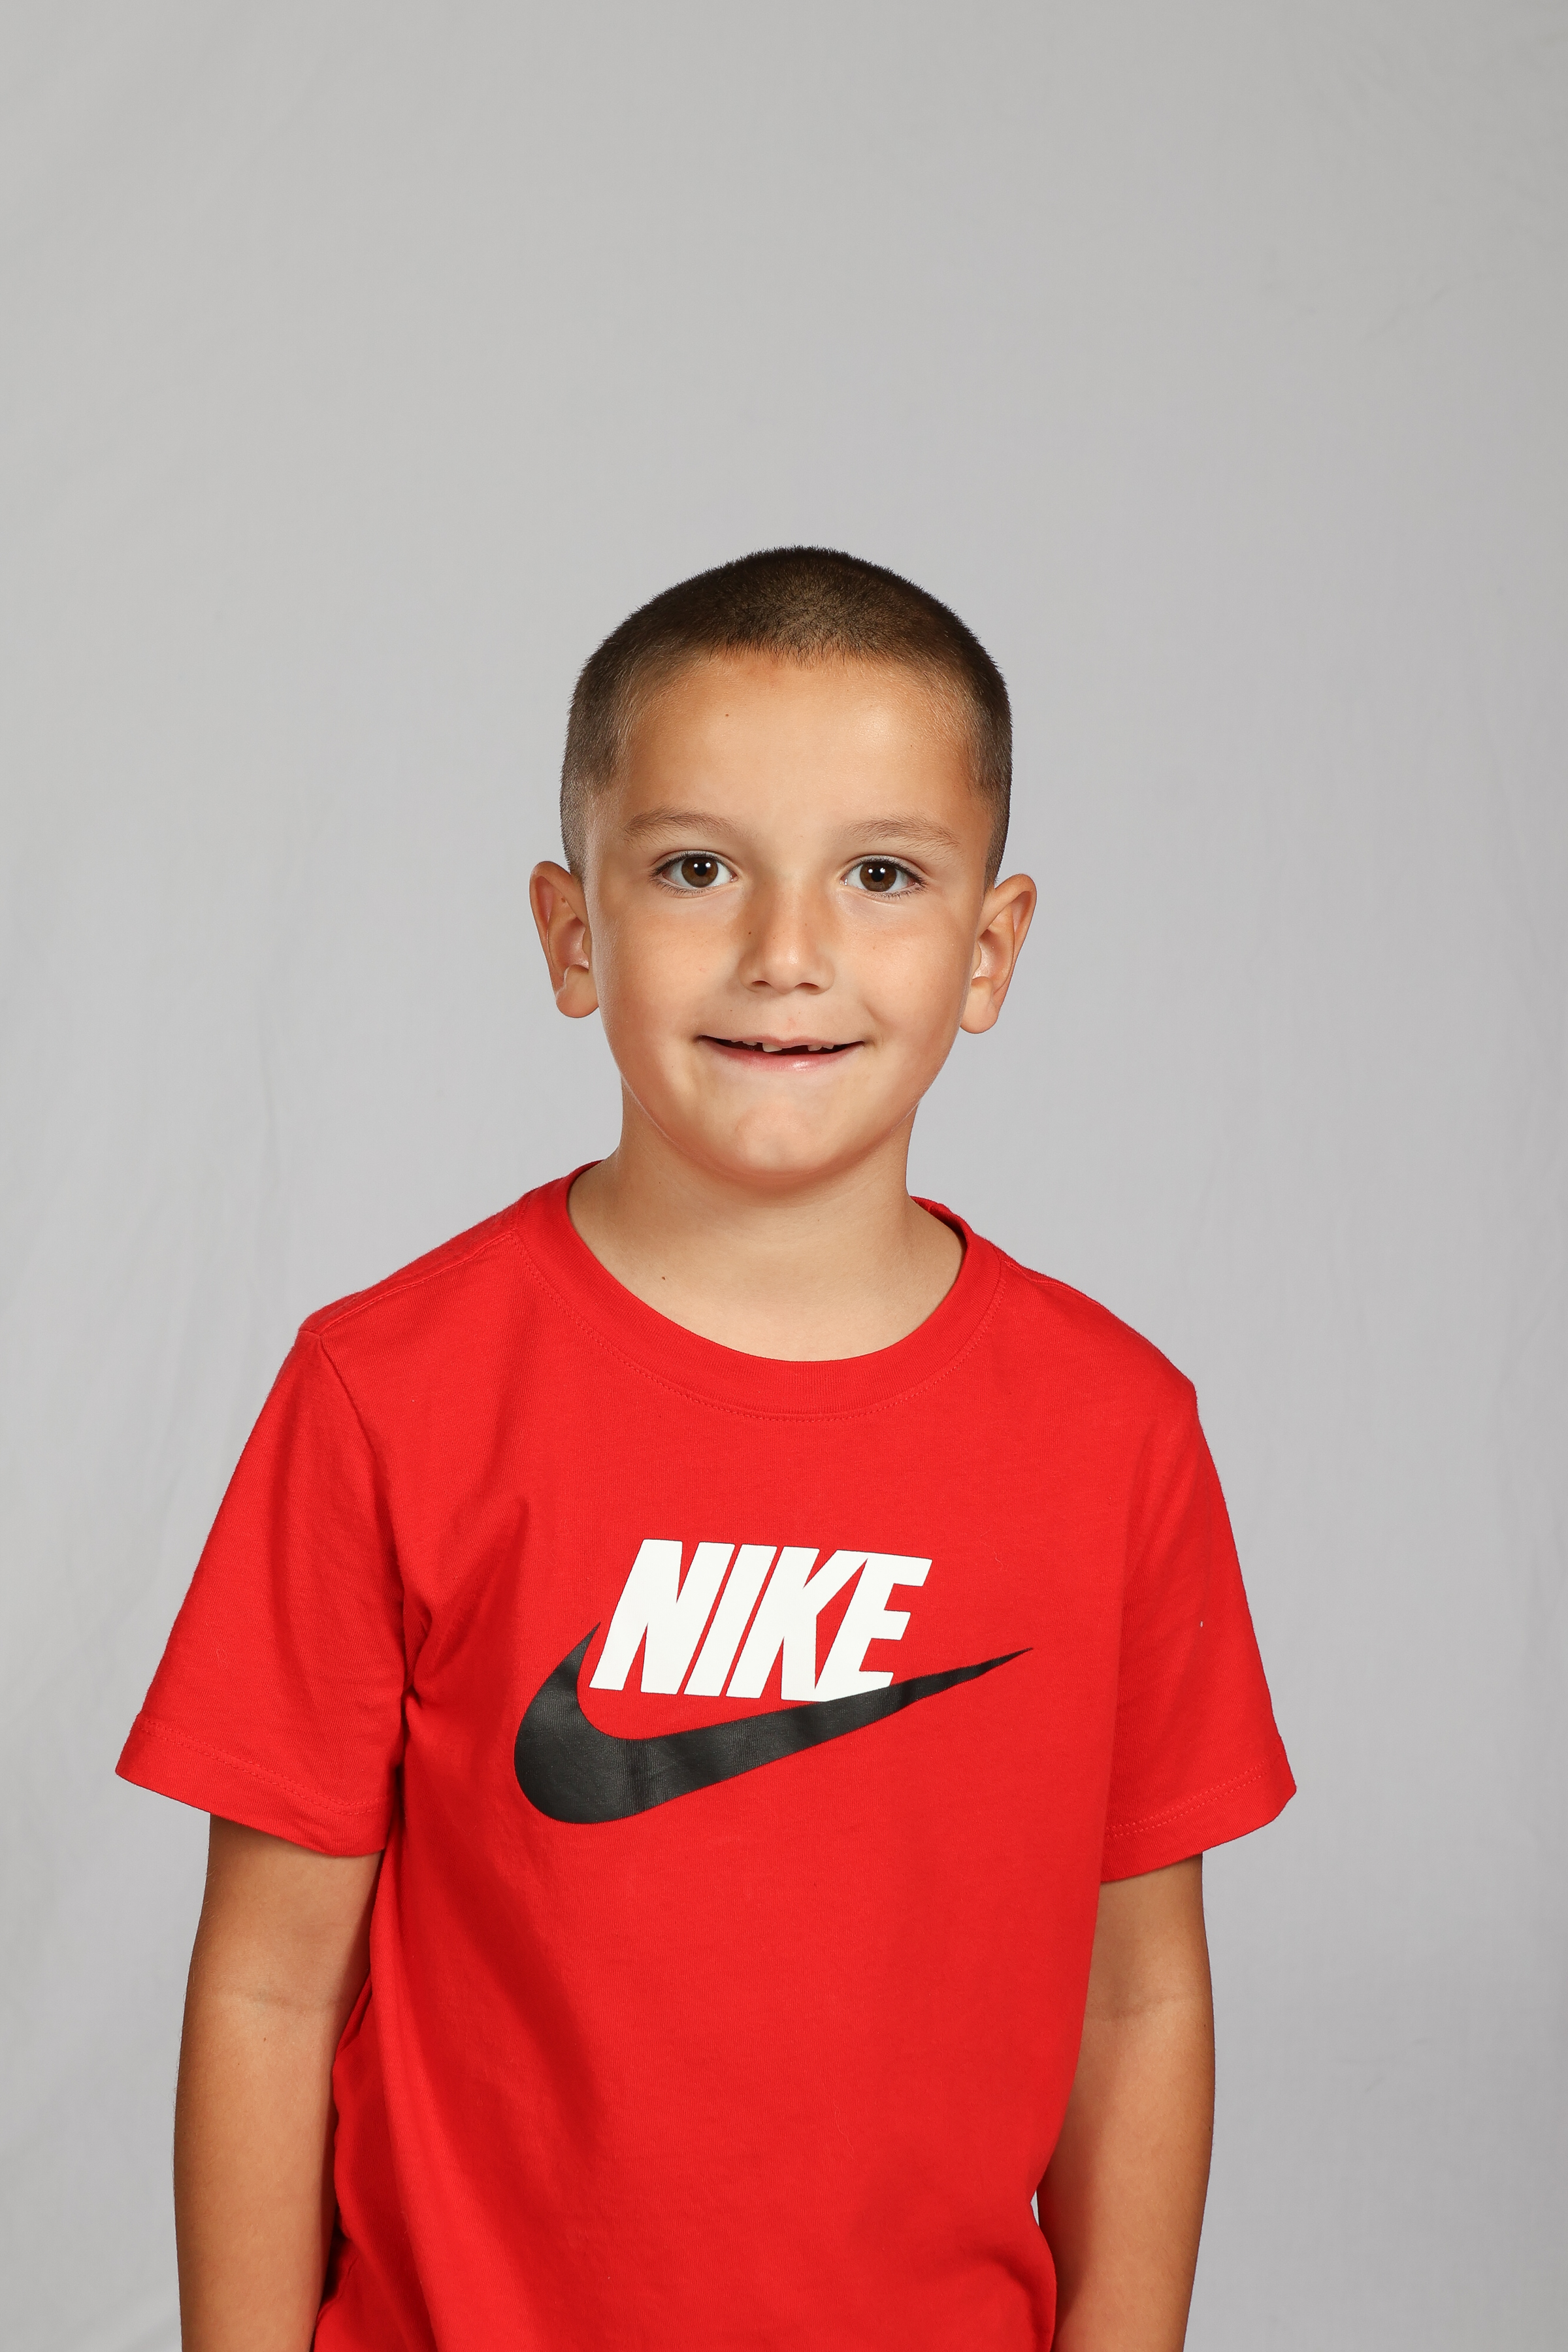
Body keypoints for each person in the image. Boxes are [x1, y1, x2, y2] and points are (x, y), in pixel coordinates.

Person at [118, 547, 1294, 2352]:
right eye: (694, 869)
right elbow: (271, 1988)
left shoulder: (1116, 1430)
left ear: (991, 949)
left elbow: (1138, 2001)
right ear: (571, 932)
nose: (786, 955)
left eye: (880, 875)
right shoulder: (388, 1390)